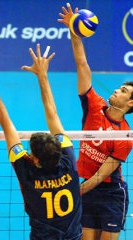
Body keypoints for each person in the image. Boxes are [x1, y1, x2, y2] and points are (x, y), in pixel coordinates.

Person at [0, 44, 82, 240]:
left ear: (34, 159)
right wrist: (42, 76)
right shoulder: (68, 159)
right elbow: (53, 114)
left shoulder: (26, 171)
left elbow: (7, 125)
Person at [58, 3, 133, 240]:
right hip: (87, 188)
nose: (117, 90)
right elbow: (82, 64)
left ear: (130, 103)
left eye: (123, 91)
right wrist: (74, 31)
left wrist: (70, 192)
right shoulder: (94, 105)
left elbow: (101, 176)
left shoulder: (124, 136)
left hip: (110, 193)